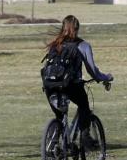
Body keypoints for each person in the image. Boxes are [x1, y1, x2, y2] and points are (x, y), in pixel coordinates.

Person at [43, 15, 113, 146]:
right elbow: (93, 71)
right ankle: (85, 137)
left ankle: (51, 150)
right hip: (70, 85)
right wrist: (105, 77)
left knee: (59, 115)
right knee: (84, 105)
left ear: (63, 27)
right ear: (77, 28)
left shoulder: (55, 45)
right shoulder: (83, 45)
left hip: (50, 86)